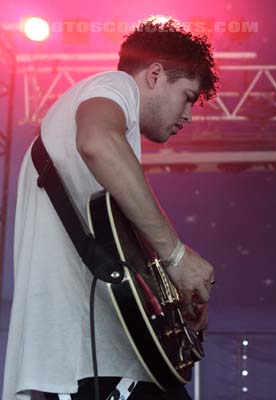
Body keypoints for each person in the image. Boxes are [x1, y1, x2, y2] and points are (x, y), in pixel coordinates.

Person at [3, 16, 218, 400]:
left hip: (97, 363)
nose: (188, 115)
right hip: (84, 365)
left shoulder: (97, 118)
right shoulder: (114, 85)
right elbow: (98, 142)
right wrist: (176, 255)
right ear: (154, 74)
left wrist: (170, 293)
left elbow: (113, 252)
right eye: (187, 96)